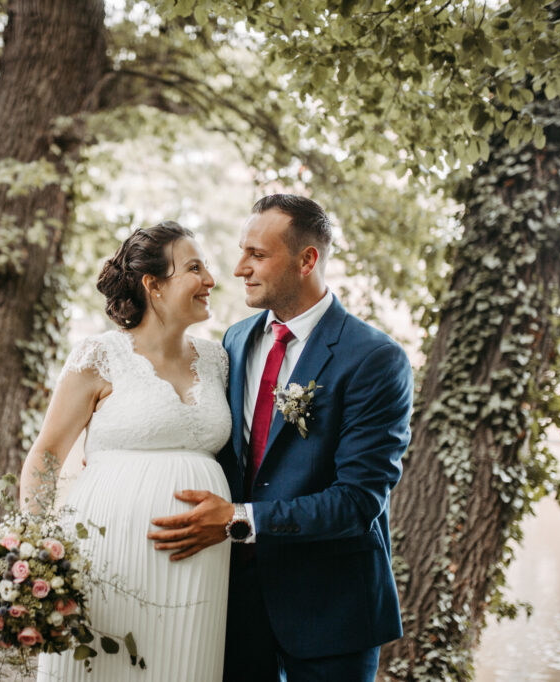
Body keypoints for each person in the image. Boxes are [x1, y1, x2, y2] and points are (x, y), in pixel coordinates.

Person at [148, 194, 413, 681]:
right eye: (242, 251)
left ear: (306, 260)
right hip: (234, 603)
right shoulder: (235, 339)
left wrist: (237, 520)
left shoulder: (375, 359)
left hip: (331, 608)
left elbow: (357, 501)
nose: (238, 268)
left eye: (257, 254)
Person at [21, 221, 233, 681]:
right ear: (153, 285)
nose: (211, 280)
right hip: (104, 554)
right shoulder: (98, 355)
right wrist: (35, 551)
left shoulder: (218, 360)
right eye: (195, 269)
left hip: (198, 565)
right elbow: (47, 454)